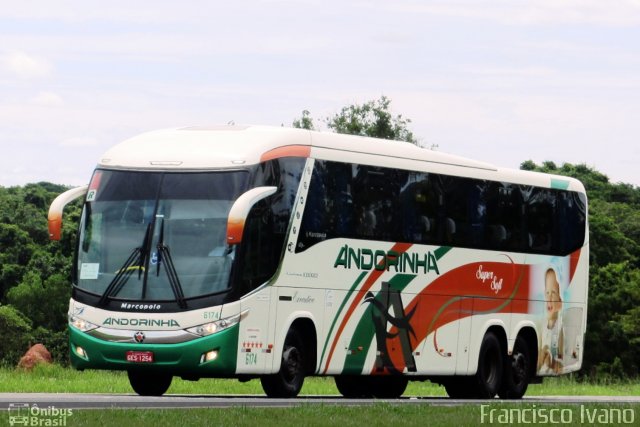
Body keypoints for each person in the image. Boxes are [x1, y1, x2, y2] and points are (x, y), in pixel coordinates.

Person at [538, 268, 564, 374]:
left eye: (553, 293)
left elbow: (561, 364)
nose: (549, 298)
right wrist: (543, 355)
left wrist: (552, 362)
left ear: (560, 300)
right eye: (547, 292)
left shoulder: (561, 327)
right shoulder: (541, 326)